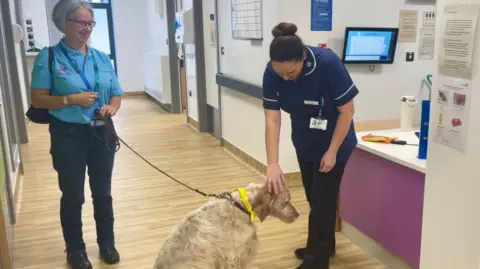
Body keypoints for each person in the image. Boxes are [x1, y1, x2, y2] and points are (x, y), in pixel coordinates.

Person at [30, 1, 122, 268]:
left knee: (103, 193)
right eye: (81, 22)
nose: (87, 28)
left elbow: (116, 92)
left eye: (90, 23)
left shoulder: (102, 58)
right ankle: (75, 250)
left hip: (101, 132)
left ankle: (107, 243)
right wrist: (71, 99)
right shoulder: (48, 57)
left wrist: (112, 107)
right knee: (73, 195)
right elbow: (38, 100)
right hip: (68, 135)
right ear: (64, 24)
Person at [263, 22, 359, 269]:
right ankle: (323, 245)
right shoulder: (272, 72)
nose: (285, 78)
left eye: (291, 73)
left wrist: (333, 151)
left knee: (323, 200)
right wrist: (272, 163)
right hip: (305, 141)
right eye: (280, 74)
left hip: (335, 141)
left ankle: (316, 261)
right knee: (313, 197)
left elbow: (347, 111)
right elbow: (272, 119)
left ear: (302, 58)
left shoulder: (327, 64)